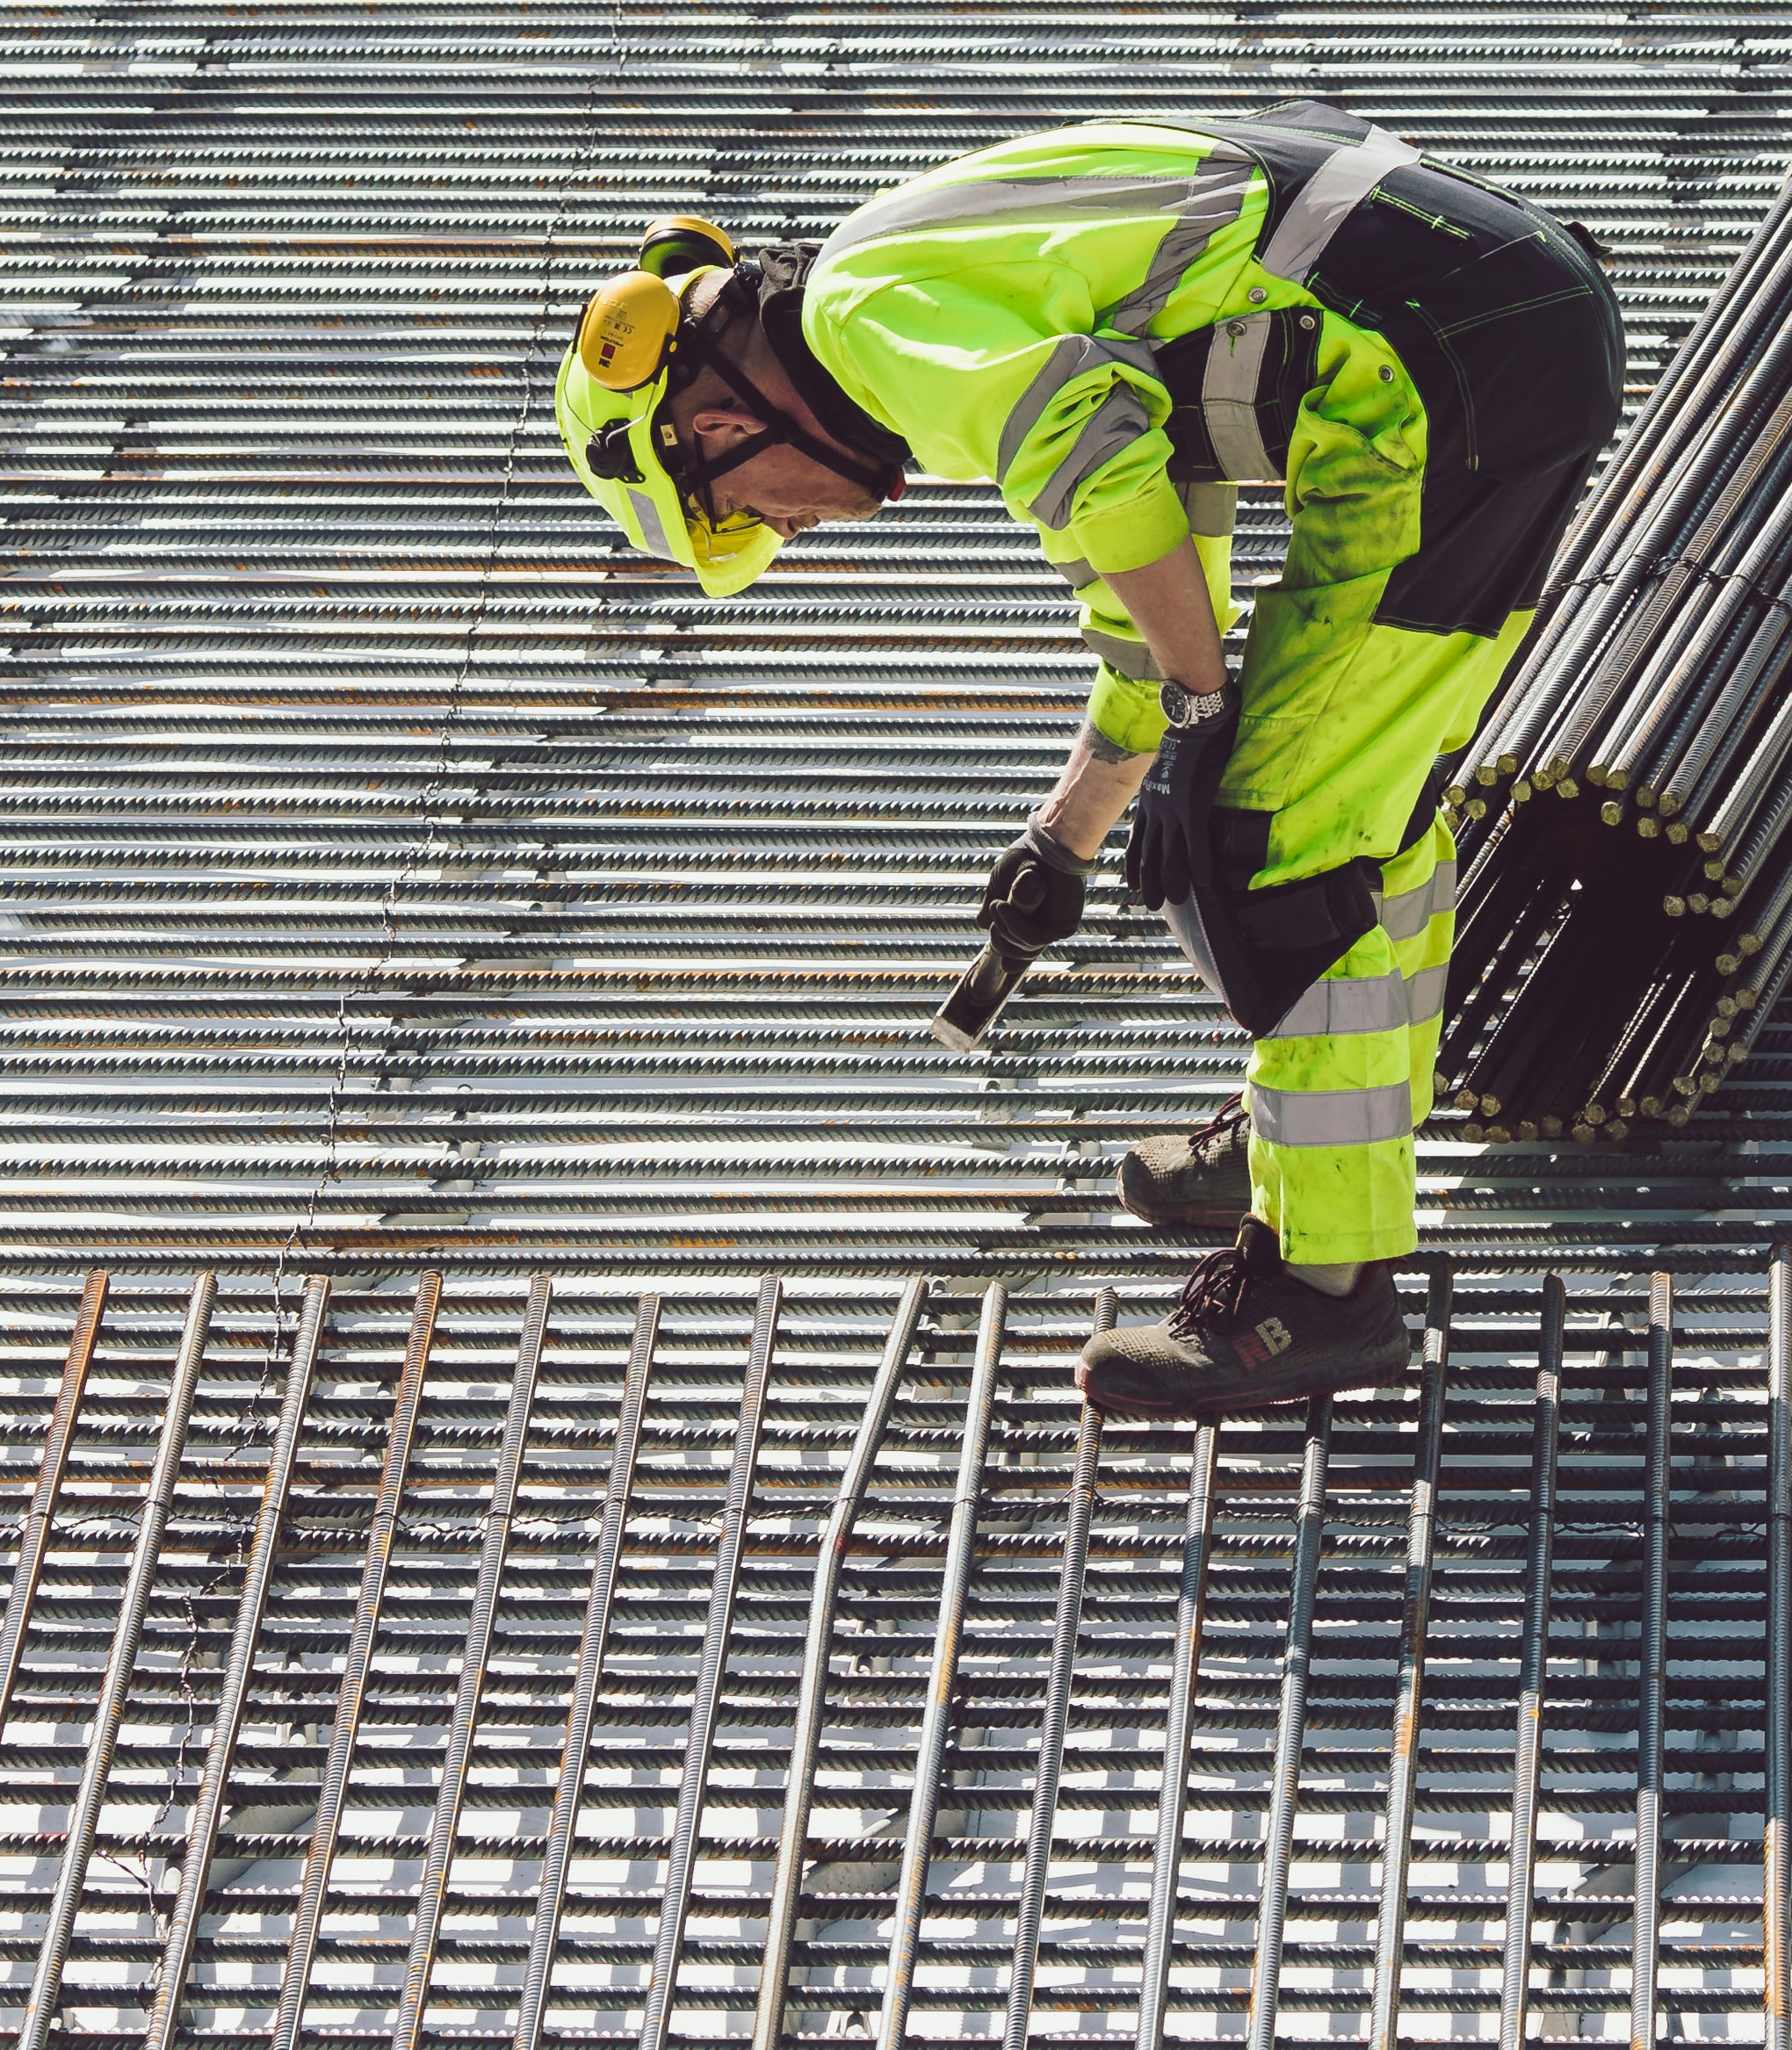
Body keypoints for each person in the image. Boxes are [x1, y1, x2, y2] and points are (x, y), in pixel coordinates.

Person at [552, 108, 1621, 1415]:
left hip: (1440, 374)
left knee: (1275, 837)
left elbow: (1101, 472)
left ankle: (1321, 1294)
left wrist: (1199, 719)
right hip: (1482, 344)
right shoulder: (917, 278)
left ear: (711, 427)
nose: (794, 523)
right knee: (1356, 808)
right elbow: (1156, 551)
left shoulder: (865, 324)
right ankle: (1312, 1152)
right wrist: (1067, 834)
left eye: (756, 510)